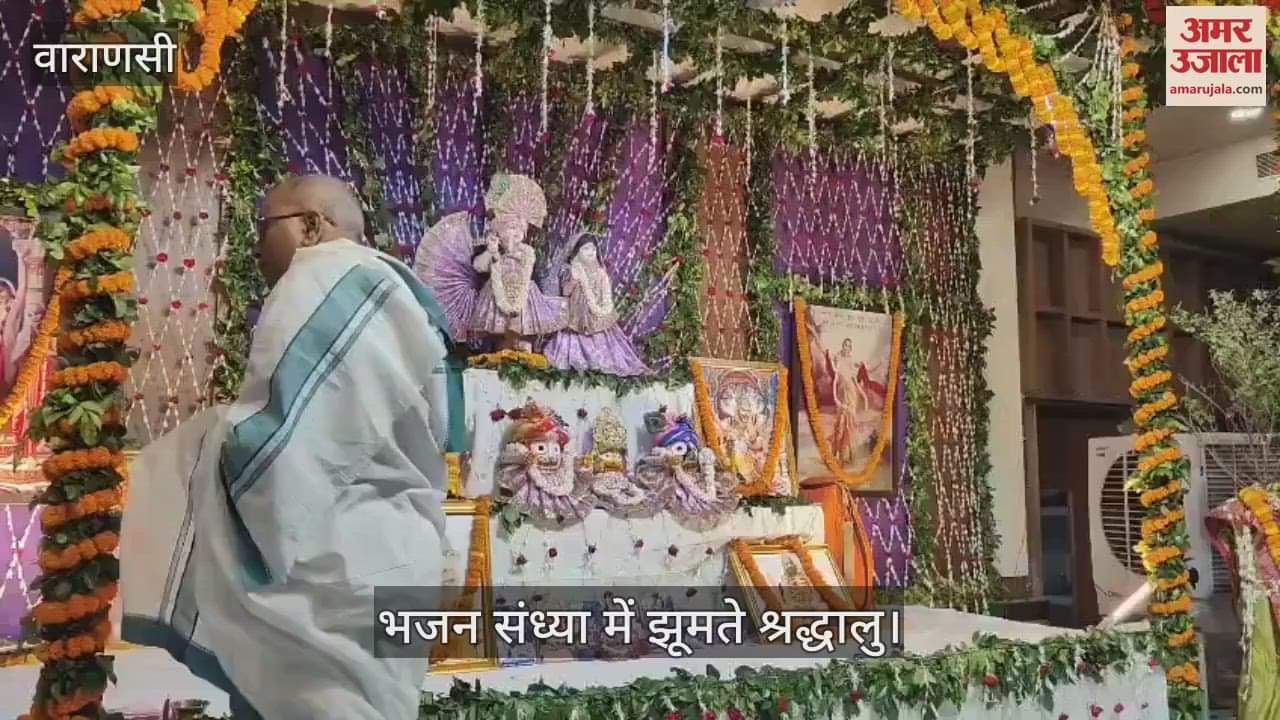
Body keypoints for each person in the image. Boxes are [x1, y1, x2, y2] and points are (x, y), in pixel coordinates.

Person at [121, 175, 453, 720]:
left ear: (311, 226)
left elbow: (275, 450)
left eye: (263, 227)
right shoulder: (405, 298)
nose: (255, 247)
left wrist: (191, 448)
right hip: (401, 548)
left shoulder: (321, 277)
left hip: (330, 561)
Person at [542, 234, 650, 375]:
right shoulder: (572, 270)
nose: (590, 252)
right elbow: (566, 292)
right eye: (586, 249)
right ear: (577, 252)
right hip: (576, 316)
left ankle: (600, 365)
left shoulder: (600, 272)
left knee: (602, 340)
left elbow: (605, 294)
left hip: (598, 316)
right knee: (571, 339)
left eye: (593, 249)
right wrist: (574, 279)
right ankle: (577, 363)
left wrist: (603, 307)